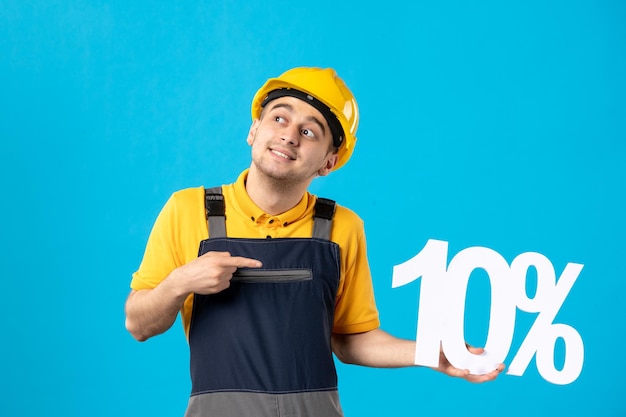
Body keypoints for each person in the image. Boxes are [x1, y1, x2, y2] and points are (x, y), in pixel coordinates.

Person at [125, 67, 504, 417]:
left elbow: (351, 340)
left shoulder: (342, 227)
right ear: (253, 131)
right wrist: (180, 283)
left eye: (310, 132)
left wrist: (433, 354)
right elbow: (138, 323)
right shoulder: (188, 210)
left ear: (328, 161)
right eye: (279, 118)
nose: (289, 135)